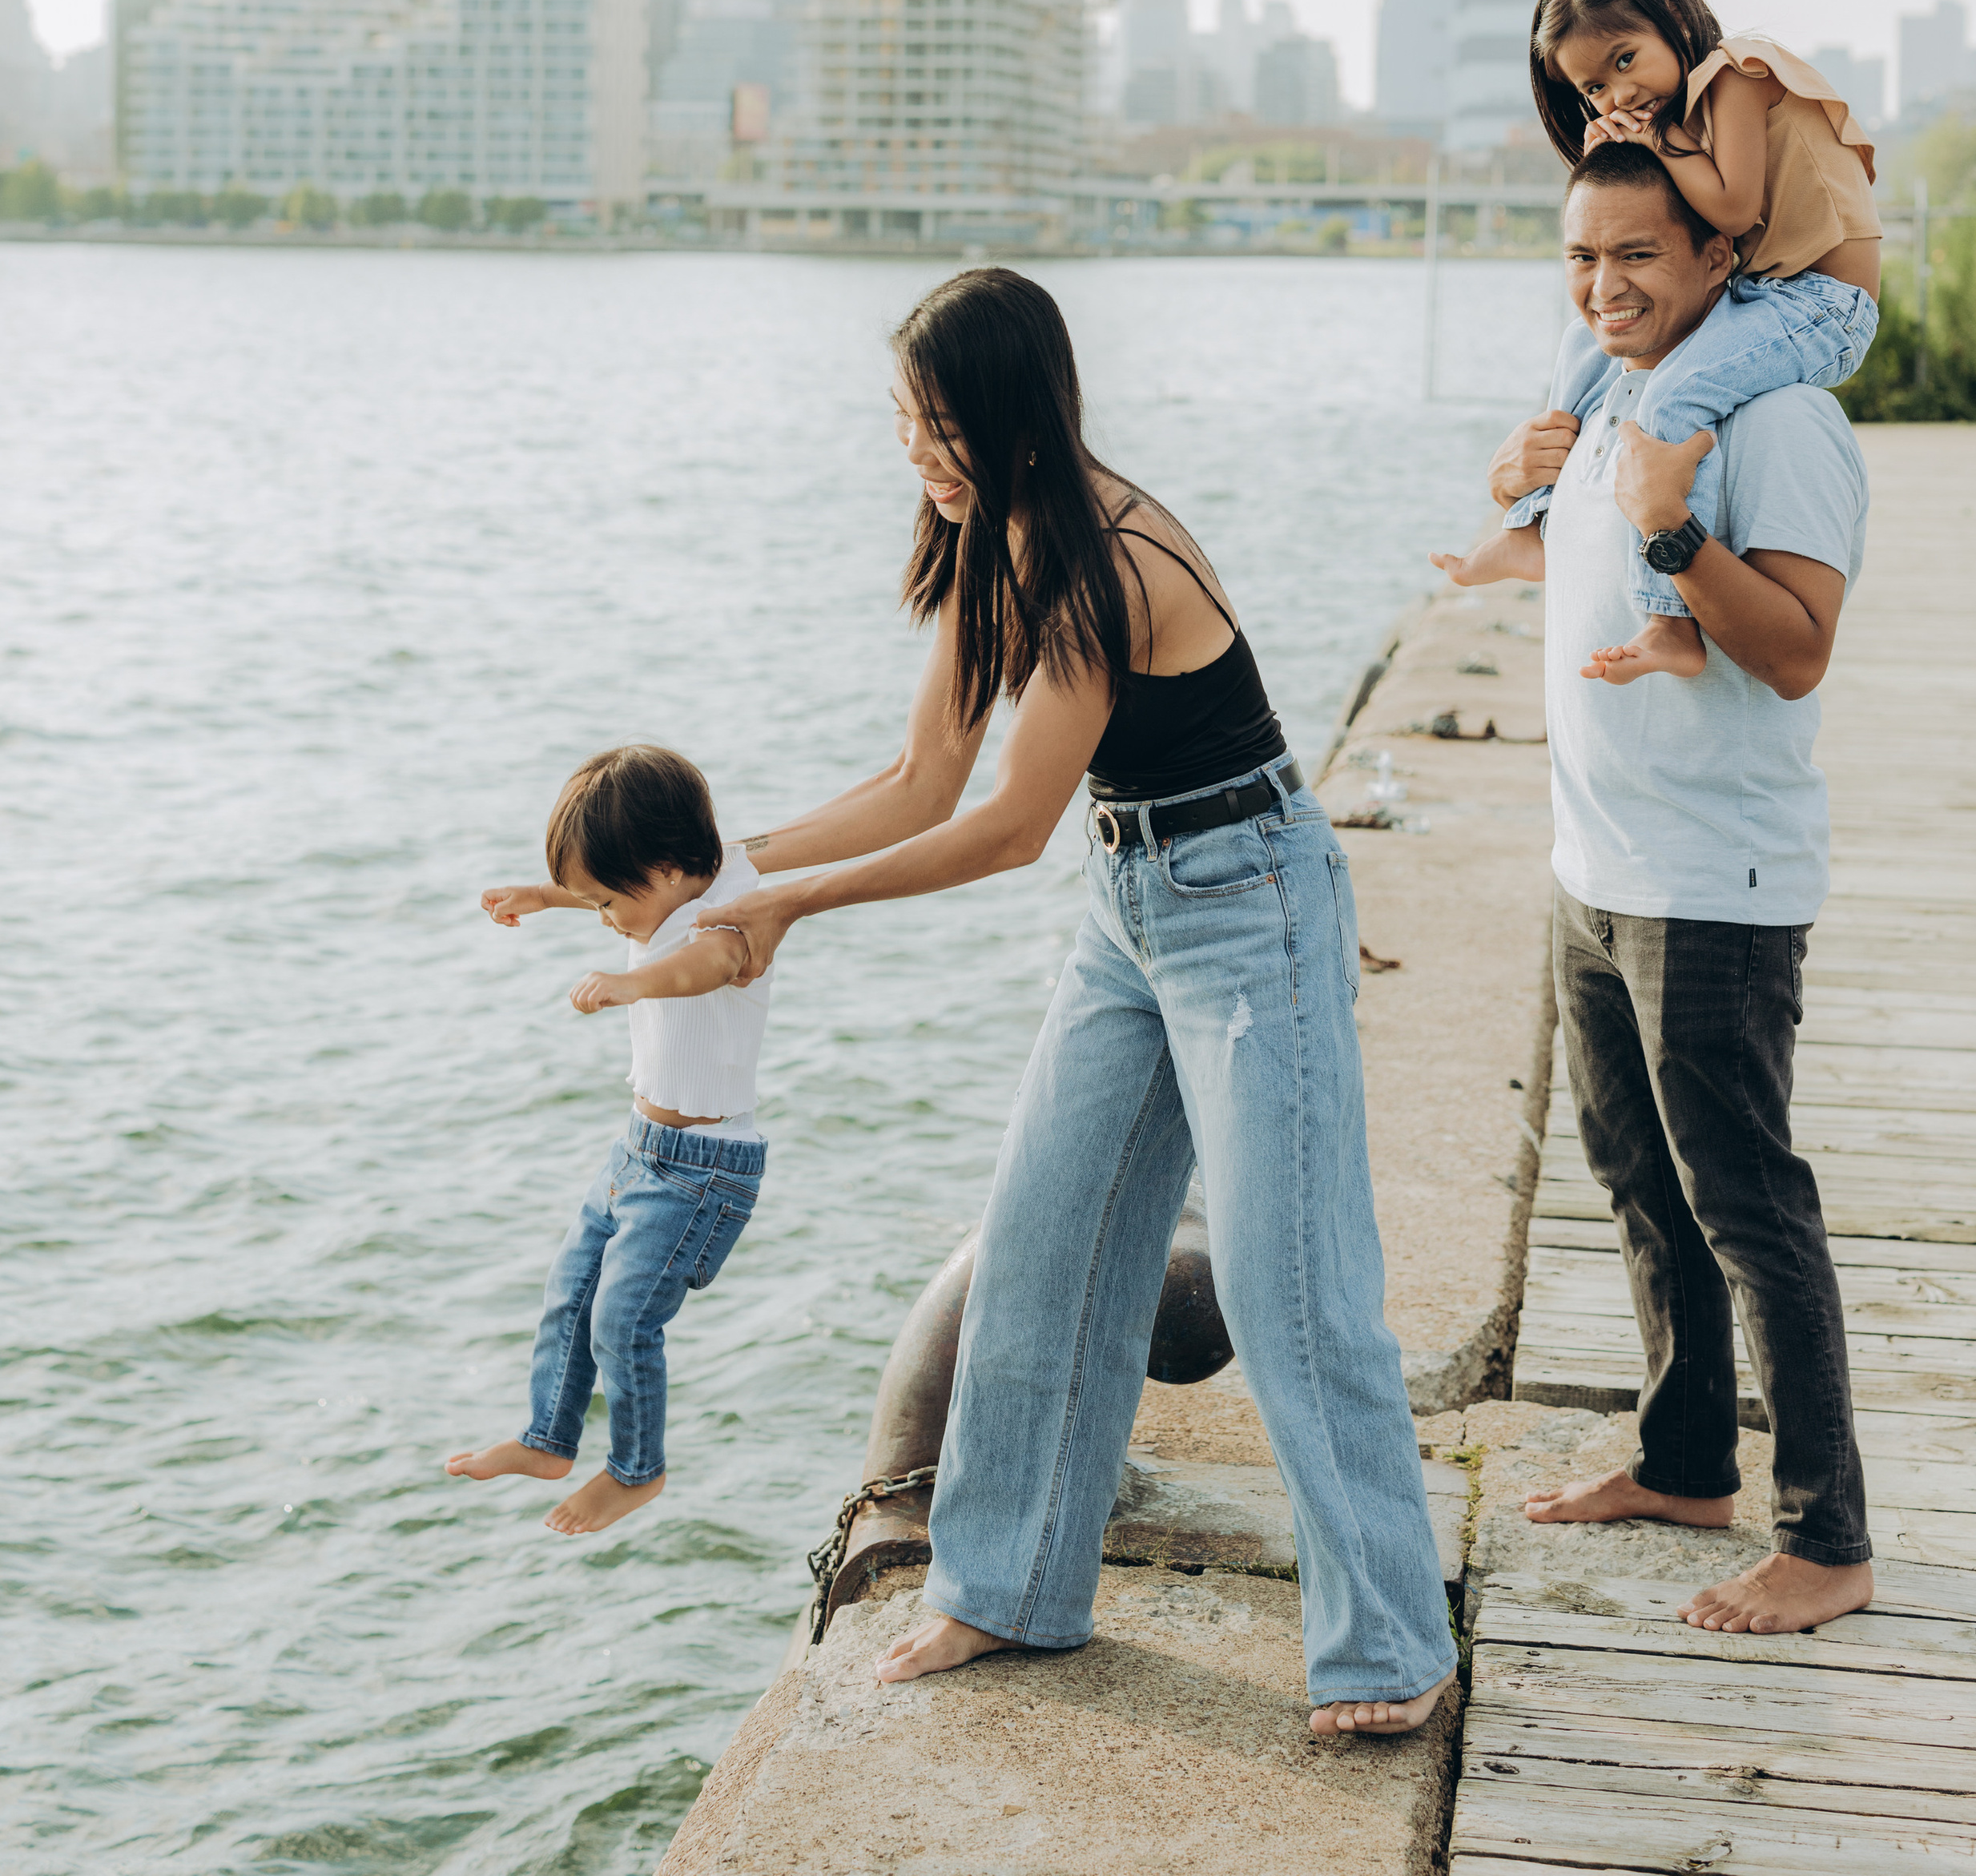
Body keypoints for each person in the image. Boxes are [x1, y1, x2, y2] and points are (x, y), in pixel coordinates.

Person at [692, 268, 1458, 1741]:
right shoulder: (997, 537)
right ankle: (1005, 1589)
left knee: (1288, 1290)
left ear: (1007, 411)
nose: (915, 449)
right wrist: (737, 867)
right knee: (1044, 1242)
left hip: (1251, 906)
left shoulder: (1103, 559)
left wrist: (790, 911)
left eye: (935, 424)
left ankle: (1392, 1647)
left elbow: (1002, 828)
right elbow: (924, 779)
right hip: (1135, 905)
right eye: (904, 422)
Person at [1451, 140, 1874, 1633]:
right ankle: (1686, 1461)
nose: (1605, 283)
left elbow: (1798, 648)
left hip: (1713, 881)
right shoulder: (1616, 396)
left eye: (1639, 255)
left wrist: (1672, 532)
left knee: (1749, 1206)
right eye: (1582, 255)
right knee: (1640, 1185)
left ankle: (1827, 1539)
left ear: (1718, 262)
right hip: (1594, 866)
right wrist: (1518, 506)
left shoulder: (1782, 419)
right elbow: (1572, 567)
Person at [1435, 0, 1880, 683]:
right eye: (1592, 88)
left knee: (1676, 394)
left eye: (1625, 60)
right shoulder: (1684, 120)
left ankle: (1669, 618)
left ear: (1673, 18)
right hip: (1767, 293)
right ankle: (1532, 523)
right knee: (1586, 345)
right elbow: (1656, 208)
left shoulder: (1735, 74)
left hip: (1823, 305)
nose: (1618, 92)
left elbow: (1732, 211)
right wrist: (1621, 160)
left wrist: (1655, 138)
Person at [448, 745, 767, 1537]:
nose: (606, 919)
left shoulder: (729, 915)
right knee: (571, 1295)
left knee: (623, 1323)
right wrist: (549, 896)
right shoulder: (665, 886)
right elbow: (622, 889)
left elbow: (708, 964)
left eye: (603, 904)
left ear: (661, 872)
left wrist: (629, 983)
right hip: (636, 1152)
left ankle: (636, 1471)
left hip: (703, 1171)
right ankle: (547, 1440)